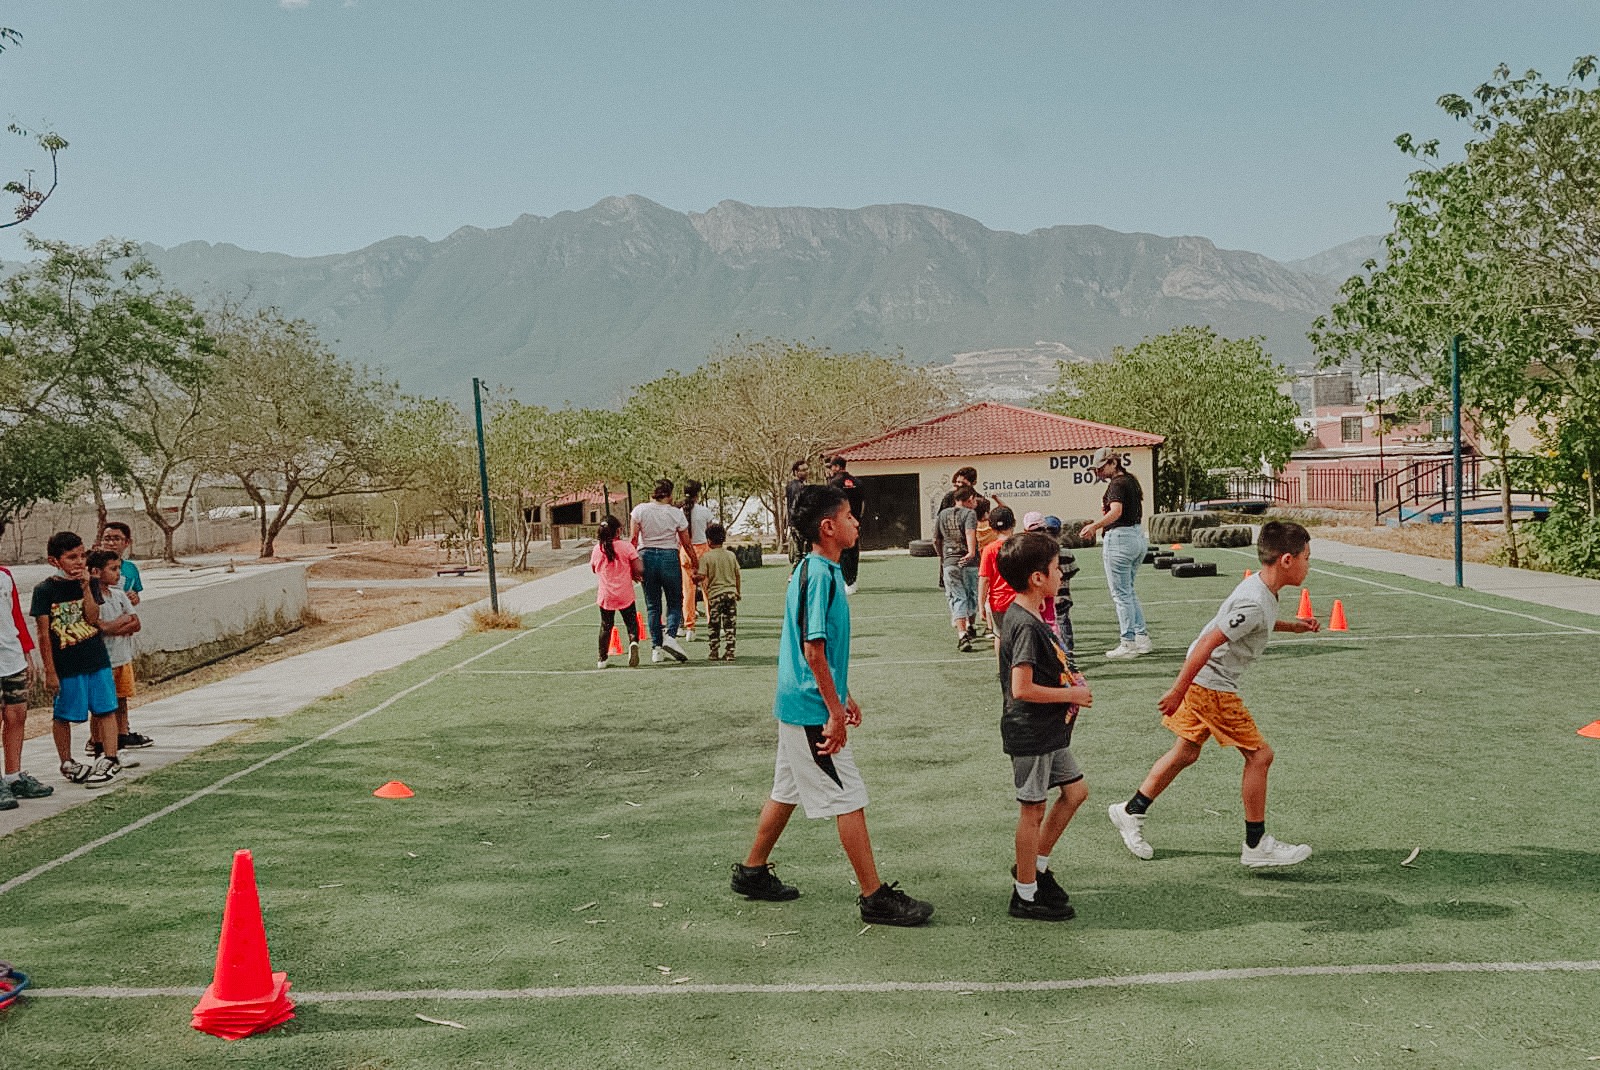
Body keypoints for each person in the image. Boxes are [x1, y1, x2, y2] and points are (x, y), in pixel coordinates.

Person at [731, 484, 934, 927]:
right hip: (809, 710)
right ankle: (873, 896)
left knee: (784, 791)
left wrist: (843, 696)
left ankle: (752, 871)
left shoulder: (818, 570)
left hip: (804, 702)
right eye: (849, 517)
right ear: (828, 527)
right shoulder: (819, 575)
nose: (857, 523)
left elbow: (820, 654)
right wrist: (833, 712)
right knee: (849, 796)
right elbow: (814, 651)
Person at [1108, 521, 1320, 868]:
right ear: (1286, 559)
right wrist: (1178, 689)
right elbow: (1210, 641)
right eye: (1307, 558)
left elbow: (1254, 621)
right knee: (1260, 757)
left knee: (1186, 752)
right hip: (1210, 684)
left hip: (1205, 680)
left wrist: (1294, 626)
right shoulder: (1253, 599)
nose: (1309, 565)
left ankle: (1130, 811)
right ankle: (1256, 843)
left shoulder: (1261, 591)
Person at [996, 531, 1093, 921]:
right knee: (1032, 810)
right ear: (1037, 577)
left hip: (1048, 731)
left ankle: (1034, 866)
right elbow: (1021, 688)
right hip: (1031, 731)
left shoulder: (1034, 614)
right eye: (1055, 569)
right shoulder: (1023, 623)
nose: (1060, 575)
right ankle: (1025, 895)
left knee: (1075, 791)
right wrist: (1070, 696)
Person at [30, 532, 121, 786]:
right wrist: (49, 670)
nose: (79, 562)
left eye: (82, 556)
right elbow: (43, 633)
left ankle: (111, 757)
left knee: (105, 708)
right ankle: (67, 761)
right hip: (67, 664)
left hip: (95, 658)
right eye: (71, 557)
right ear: (54, 561)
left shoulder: (90, 583)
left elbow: (93, 618)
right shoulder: (44, 590)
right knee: (64, 715)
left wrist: (85, 587)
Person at [1078, 447, 1151, 659]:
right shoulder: (1130, 481)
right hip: (1136, 537)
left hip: (1120, 539)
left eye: (1100, 469)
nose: (1097, 473)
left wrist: (1094, 526)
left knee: (1121, 594)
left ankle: (1128, 642)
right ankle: (1141, 638)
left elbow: (1116, 511)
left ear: (1112, 464)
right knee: (1128, 591)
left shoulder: (1117, 484)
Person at [0, 529, 52, 810]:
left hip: (11, 658)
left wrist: (27, 652)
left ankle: (13, 775)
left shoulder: (5, 576)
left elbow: (16, 617)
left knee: (16, 713)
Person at [86, 549, 149, 760]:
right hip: (106, 661)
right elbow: (100, 627)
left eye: (119, 569)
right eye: (113, 569)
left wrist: (118, 624)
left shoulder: (120, 595)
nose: (118, 574)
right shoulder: (93, 600)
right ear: (96, 572)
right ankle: (99, 745)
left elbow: (136, 623)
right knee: (102, 707)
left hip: (123, 658)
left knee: (121, 702)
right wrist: (122, 622)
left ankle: (121, 740)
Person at [629, 480, 695, 663]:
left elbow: (633, 538)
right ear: (670, 494)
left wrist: (630, 563)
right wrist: (695, 561)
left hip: (646, 555)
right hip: (669, 556)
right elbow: (686, 542)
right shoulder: (676, 513)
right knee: (674, 599)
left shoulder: (640, 510)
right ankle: (670, 636)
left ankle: (656, 648)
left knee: (653, 605)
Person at [590, 516, 642, 669]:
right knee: (631, 622)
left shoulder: (597, 549)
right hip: (625, 593)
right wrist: (635, 573)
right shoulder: (626, 547)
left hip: (606, 595)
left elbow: (594, 569)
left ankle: (602, 658)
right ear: (618, 531)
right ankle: (633, 642)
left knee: (606, 626)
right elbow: (638, 568)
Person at [934, 484, 981, 652]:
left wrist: (943, 556)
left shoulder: (942, 514)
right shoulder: (970, 514)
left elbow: (936, 539)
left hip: (949, 561)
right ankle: (970, 626)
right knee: (971, 594)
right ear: (969, 500)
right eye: (974, 499)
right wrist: (971, 551)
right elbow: (970, 532)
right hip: (969, 562)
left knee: (957, 596)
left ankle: (962, 633)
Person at [698, 522, 741, 661]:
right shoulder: (731, 555)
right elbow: (737, 575)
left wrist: (694, 577)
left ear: (709, 540)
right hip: (731, 593)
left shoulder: (706, 557)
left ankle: (714, 651)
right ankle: (730, 651)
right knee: (730, 624)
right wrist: (737, 591)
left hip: (715, 595)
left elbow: (702, 576)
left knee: (714, 624)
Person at [976, 505, 1017, 646]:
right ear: (1014, 523)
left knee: (999, 636)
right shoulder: (1021, 545)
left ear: (992, 528)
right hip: (1021, 600)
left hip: (999, 601)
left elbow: (984, 579)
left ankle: (1003, 667)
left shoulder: (989, 550)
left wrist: (981, 605)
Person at [679, 480, 714, 642]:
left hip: (686, 552)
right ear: (698, 494)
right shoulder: (705, 511)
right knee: (708, 592)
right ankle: (712, 623)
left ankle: (690, 628)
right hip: (703, 551)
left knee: (688, 593)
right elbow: (710, 533)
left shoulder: (679, 512)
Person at [826, 457, 864, 595]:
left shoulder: (834, 483)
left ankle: (846, 581)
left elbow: (830, 504)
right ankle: (853, 580)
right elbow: (863, 504)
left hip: (840, 521)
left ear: (837, 467)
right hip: (854, 521)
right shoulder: (857, 482)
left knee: (842, 552)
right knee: (853, 551)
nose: (831, 470)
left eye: (831, 467)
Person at [1043, 516, 1078, 659]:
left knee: (1048, 622)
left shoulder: (1043, 553)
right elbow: (1073, 570)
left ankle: (1051, 647)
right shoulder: (1067, 553)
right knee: (1064, 620)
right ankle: (1068, 647)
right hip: (1064, 593)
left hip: (1047, 595)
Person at [97, 522, 143, 607]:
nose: (111, 543)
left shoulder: (131, 568)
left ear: (127, 542)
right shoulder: (92, 566)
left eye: (116, 539)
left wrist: (134, 599)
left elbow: (135, 593)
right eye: (107, 539)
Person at [784, 459, 812, 567]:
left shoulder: (791, 485)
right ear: (796, 472)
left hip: (795, 523)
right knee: (802, 554)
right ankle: (797, 577)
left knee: (800, 554)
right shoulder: (799, 487)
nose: (806, 472)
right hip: (800, 524)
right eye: (803, 470)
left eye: (807, 469)